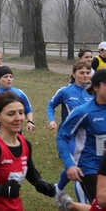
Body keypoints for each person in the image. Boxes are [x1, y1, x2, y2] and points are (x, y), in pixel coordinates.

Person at [57, 69, 106, 203]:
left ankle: (70, 205)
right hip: (89, 166)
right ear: (96, 87)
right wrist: (69, 164)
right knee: (100, 204)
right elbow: (62, 136)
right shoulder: (83, 112)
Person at [48, 61, 93, 205]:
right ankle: (84, 205)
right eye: (81, 73)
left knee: (72, 167)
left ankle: (58, 189)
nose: (85, 75)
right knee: (79, 169)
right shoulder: (65, 91)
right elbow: (51, 105)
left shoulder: (93, 91)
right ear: (74, 74)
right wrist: (52, 120)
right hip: (69, 136)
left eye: (87, 73)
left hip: (87, 137)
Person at [0, 66, 36, 133]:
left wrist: (30, 122)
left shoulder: (19, 93)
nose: (9, 79)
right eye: (5, 77)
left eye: (11, 77)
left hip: (16, 128)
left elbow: (28, 109)